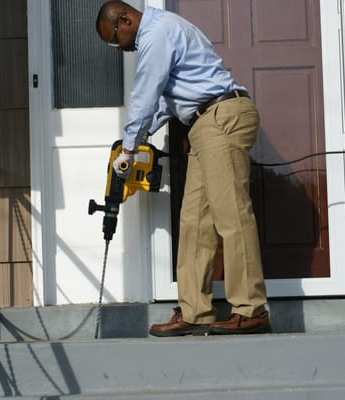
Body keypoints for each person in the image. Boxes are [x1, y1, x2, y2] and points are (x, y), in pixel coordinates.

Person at [96, 1, 271, 336]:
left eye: (118, 41)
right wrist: (139, 135)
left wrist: (130, 147)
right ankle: (195, 311)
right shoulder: (165, 29)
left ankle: (251, 309)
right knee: (194, 222)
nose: (122, 49)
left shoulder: (157, 33)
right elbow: (161, 101)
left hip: (222, 118)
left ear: (125, 19)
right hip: (205, 125)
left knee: (231, 215)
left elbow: (145, 94)